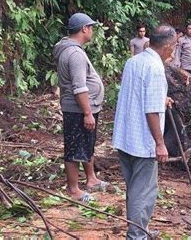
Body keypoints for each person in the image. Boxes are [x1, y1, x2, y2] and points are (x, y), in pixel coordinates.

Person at [112, 25, 177, 238]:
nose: (174, 51)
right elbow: (150, 111)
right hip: (143, 141)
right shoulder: (156, 68)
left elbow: (139, 93)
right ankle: (137, 235)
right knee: (144, 191)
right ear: (166, 46)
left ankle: (140, 228)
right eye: (174, 46)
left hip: (125, 136)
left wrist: (161, 99)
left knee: (134, 188)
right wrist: (160, 143)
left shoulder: (134, 61)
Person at [53, 13, 107, 202]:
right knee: (75, 147)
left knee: (86, 143)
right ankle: (73, 189)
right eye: (91, 27)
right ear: (84, 29)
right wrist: (87, 113)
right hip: (78, 110)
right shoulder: (74, 54)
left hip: (84, 108)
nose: (91, 31)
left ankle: (91, 179)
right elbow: (79, 87)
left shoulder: (73, 50)